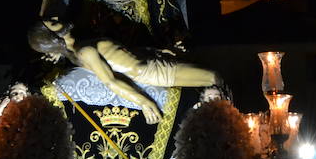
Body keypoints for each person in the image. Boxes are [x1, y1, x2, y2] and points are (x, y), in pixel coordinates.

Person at [29, 18, 218, 124]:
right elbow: (110, 81)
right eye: (53, 23)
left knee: (212, 77)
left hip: (153, 59)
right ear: (51, 38)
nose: (57, 18)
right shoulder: (84, 52)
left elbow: (122, 53)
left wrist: (156, 51)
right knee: (213, 77)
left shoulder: (79, 47)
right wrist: (143, 101)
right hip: (152, 72)